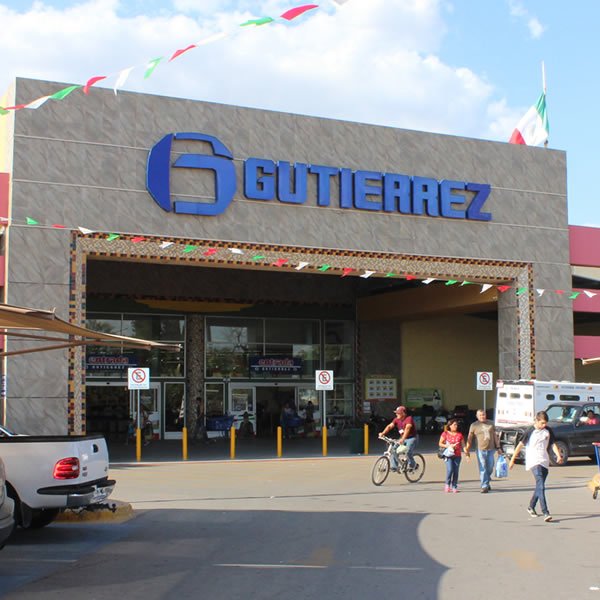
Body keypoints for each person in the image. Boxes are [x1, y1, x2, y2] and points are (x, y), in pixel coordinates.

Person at [509, 410, 563, 522]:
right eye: (542, 423)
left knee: (539, 486)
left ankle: (531, 506)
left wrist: (558, 455)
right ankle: (545, 512)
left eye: (545, 423)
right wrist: (512, 459)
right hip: (533, 461)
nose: (544, 425)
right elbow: (520, 445)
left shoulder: (548, 430)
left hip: (544, 460)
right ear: (537, 421)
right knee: (541, 486)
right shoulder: (530, 431)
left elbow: (552, 444)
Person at [465, 408, 503, 493]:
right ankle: (484, 486)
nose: (482, 416)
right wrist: (467, 451)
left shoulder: (491, 423)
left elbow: (495, 436)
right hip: (480, 450)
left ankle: (487, 480)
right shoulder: (474, 425)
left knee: (490, 467)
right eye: (480, 415)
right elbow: (469, 438)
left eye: (484, 414)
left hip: (491, 449)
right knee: (482, 467)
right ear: (477, 416)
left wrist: (498, 447)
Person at [379, 405, 418, 471]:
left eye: (398, 413)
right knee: (393, 449)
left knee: (408, 451)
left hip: (411, 438)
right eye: (396, 413)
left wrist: (403, 439)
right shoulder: (396, 419)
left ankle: (413, 465)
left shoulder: (409, 419)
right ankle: (394, 467)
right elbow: (389, 426)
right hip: (402, 438)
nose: (396, 414)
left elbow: (407, 429)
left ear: (403, 413)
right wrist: (383, 433)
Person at [439, 418, 469, 492]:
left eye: (456, 425)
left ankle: (454, 486)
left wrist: (467, 455)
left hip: (457, 455)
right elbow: (440, 443)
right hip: (448, 455)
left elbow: (463, 446)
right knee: (450, 470)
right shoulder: (445, 433)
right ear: (450, 425)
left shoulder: (459, 435)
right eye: (454, 425)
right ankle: (447, 484)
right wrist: (449, 446)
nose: (456, 426)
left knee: (456, 471)